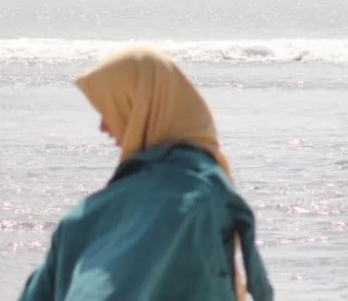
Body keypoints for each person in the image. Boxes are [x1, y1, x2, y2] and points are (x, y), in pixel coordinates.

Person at [18, 46, 273, 301]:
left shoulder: (94, 215)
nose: (103, 127)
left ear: (143, 110)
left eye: (111, 110)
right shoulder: (194, 195)